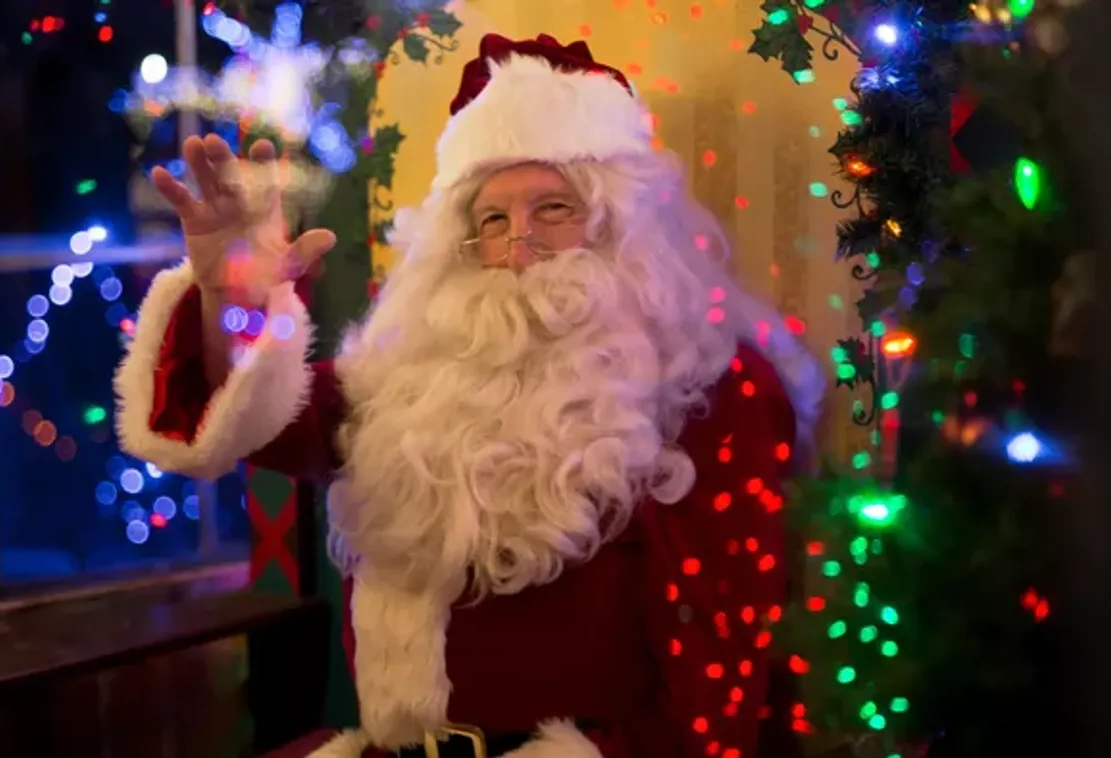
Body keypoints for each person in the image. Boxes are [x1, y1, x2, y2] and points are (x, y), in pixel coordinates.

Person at [115, 33, 824, 758]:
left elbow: (717, 674)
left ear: (620, 225)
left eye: (553, 208)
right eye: (492, 219)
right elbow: (247, 419)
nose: (519, 243)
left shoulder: (711, 385)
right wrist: (226, 298)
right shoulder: (406, 375)